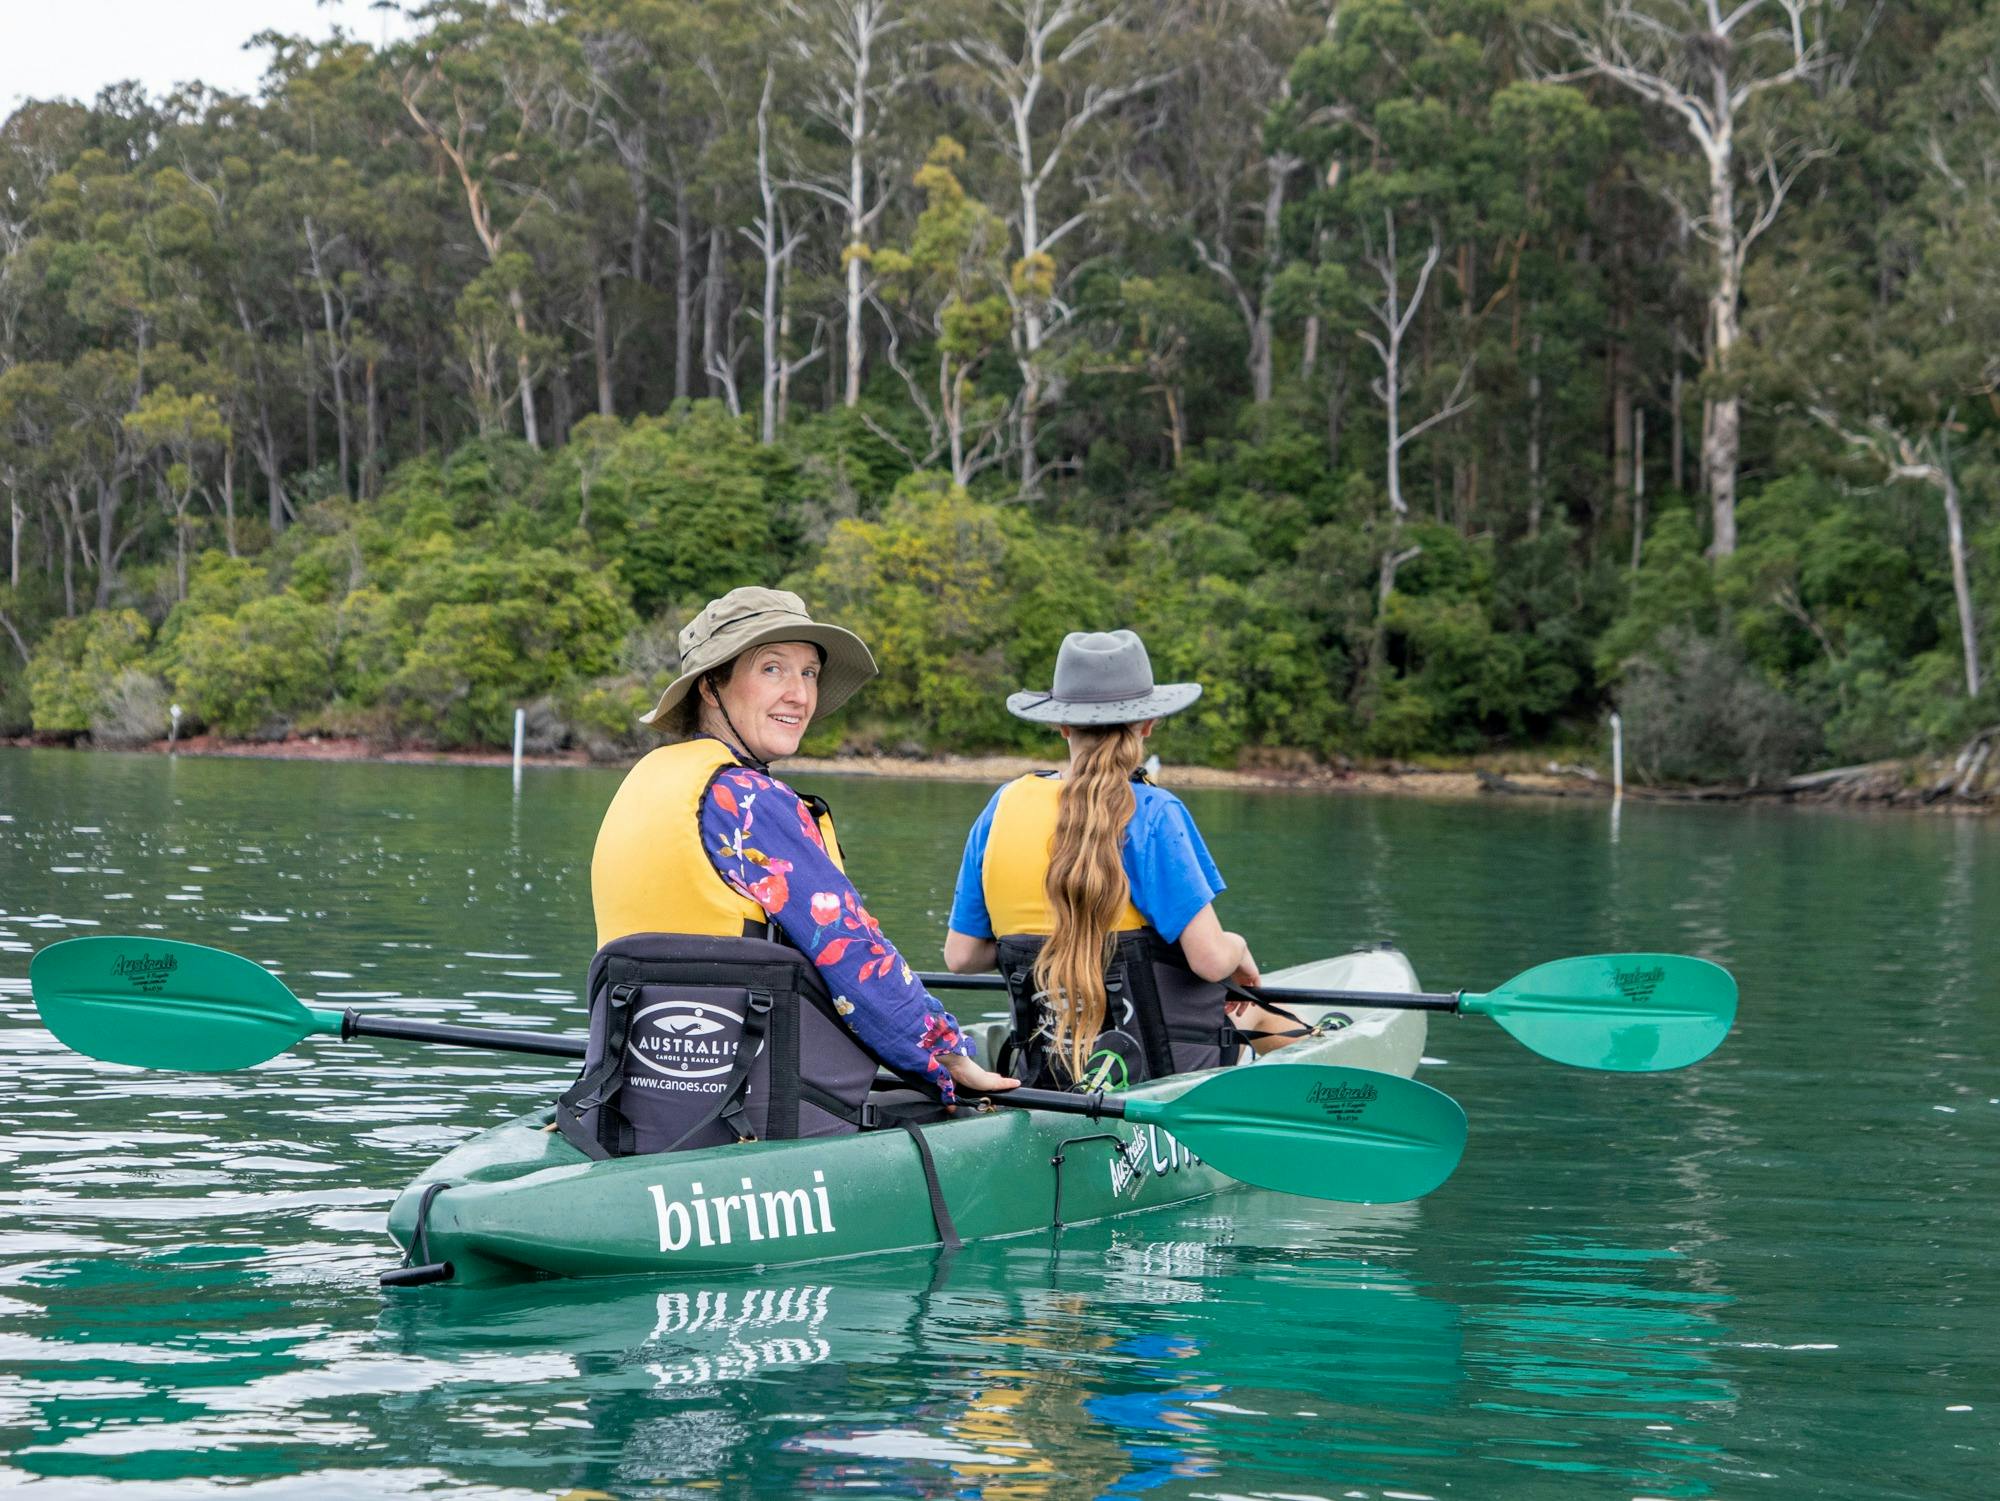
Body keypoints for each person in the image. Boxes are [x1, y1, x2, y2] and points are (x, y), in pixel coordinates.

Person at [561, 586, 1013, 1159]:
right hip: (754, 1114)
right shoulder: (752, 801)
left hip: (638, 1110)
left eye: (809, 673)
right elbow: (853, 953)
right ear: (711, 684)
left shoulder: (647, 781)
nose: (798, 695)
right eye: (772, 669)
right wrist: (947, 1058)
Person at [943, 629, 1299, 1091]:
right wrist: (1240, 948)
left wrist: (1041, 941)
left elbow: (962, 956)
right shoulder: (1154, 812)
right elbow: (1211, 961)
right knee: (1258, 1013)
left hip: (1047, 1079)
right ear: (1148, 724)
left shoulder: (1004, 806)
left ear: (1062, 725)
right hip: (1162, 1083)